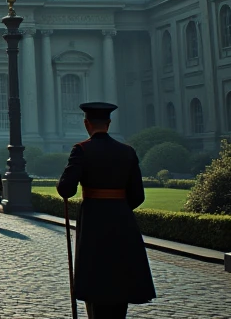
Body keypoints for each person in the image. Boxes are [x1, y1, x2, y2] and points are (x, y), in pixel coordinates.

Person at [57, 102, 156, 319]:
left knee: (95, 278)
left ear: (86, 124)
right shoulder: (127, 151)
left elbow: (66, 189)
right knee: (121, 279)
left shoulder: (81, 150)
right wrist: (117, 208)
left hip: (93, 221)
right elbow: (138, 196)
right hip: (122, 221)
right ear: (108, 124)